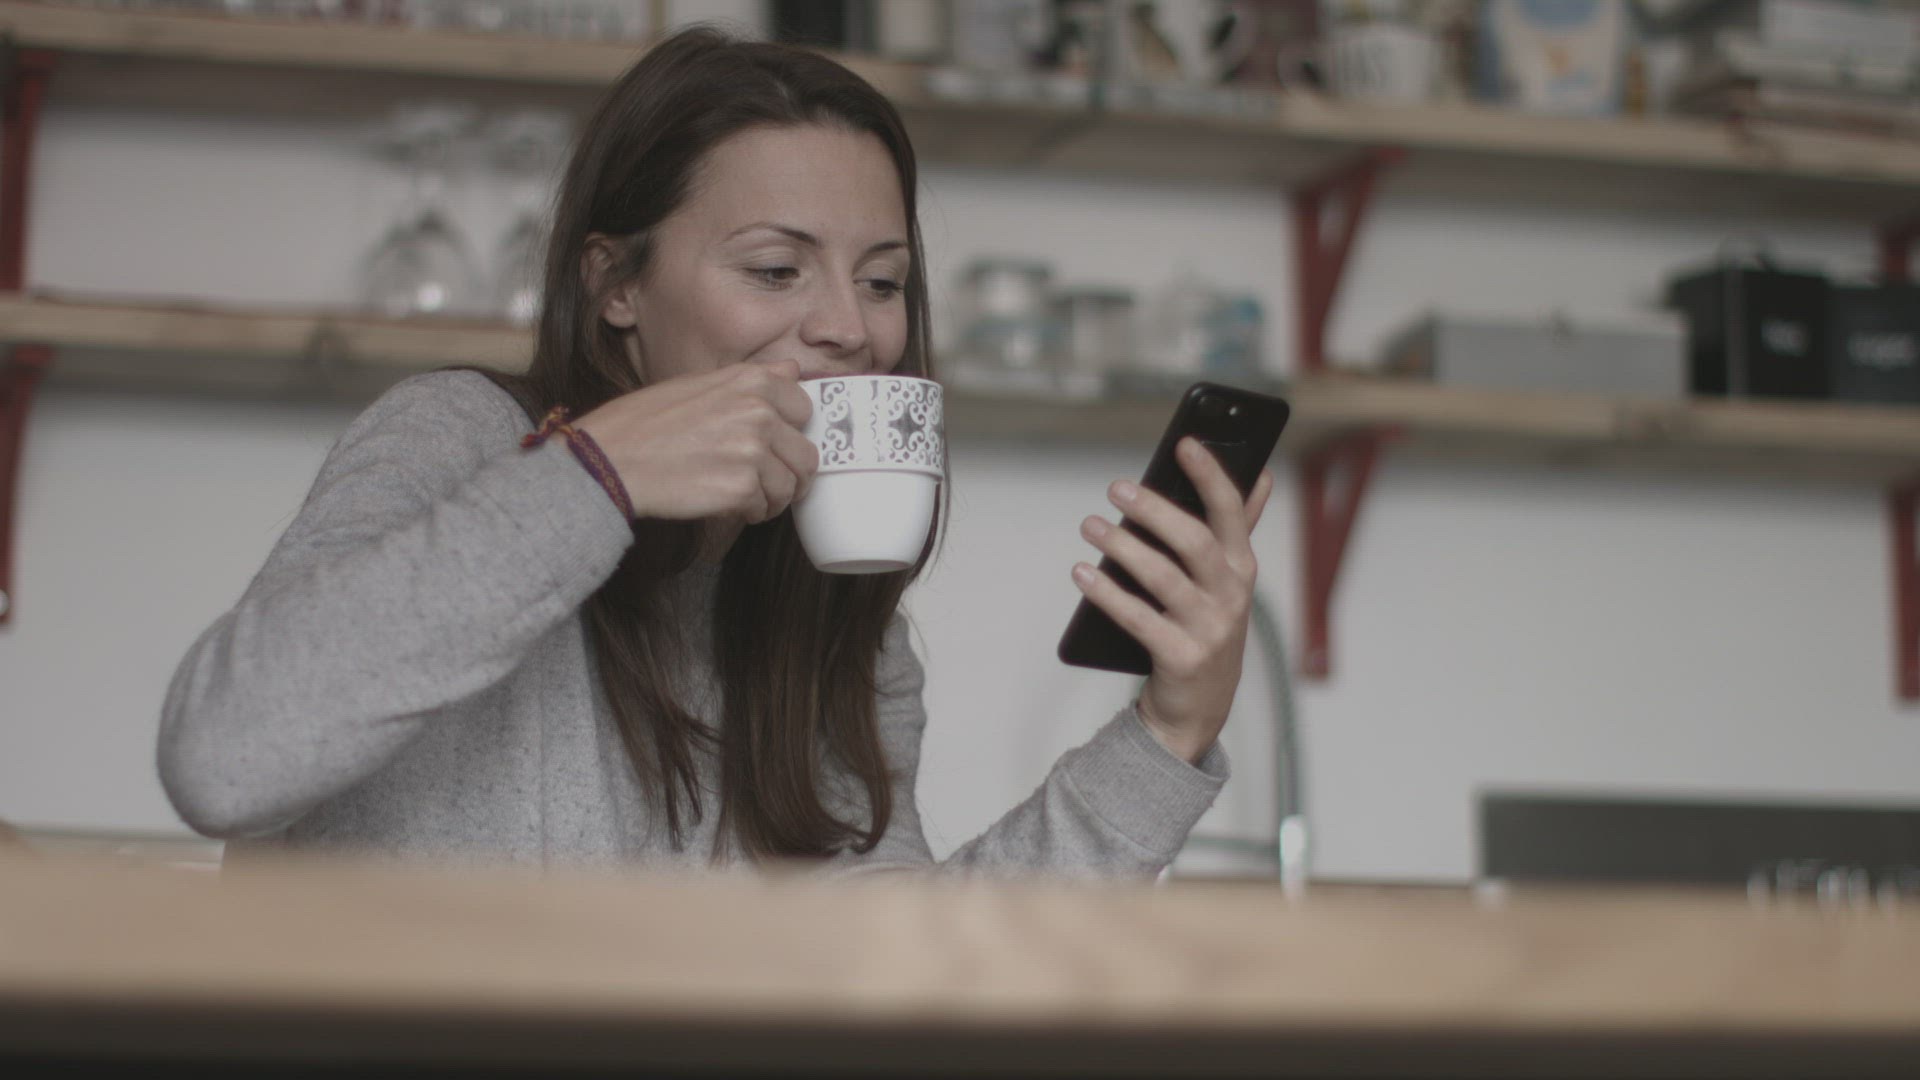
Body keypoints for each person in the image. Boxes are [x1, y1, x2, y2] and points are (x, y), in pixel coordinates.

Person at [157, 28, 1274, 878]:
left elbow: (897, 987)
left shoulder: (831, 626)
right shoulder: (464, 439)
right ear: (616, 285)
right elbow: (224, 760)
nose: (850, 326)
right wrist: (595, 479)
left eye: (882, 281)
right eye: (777, 270)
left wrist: (1170, 733)